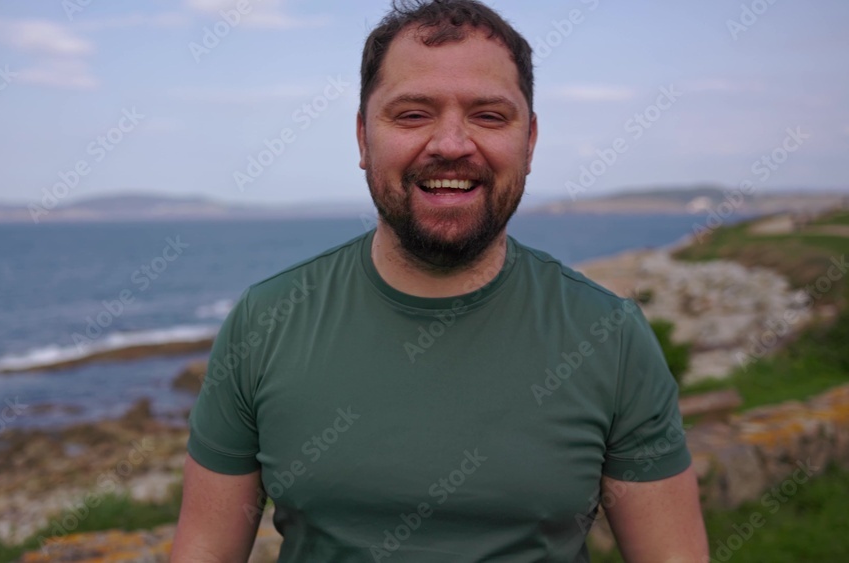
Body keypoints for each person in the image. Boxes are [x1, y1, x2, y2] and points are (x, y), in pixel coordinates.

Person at [171, 0, 708, 561]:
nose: (451, 144)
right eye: (412, 114)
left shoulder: (611, 337)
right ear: (362, 139)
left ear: (529, 142)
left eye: (489, 116)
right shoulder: (265, 321)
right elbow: (204, 549)